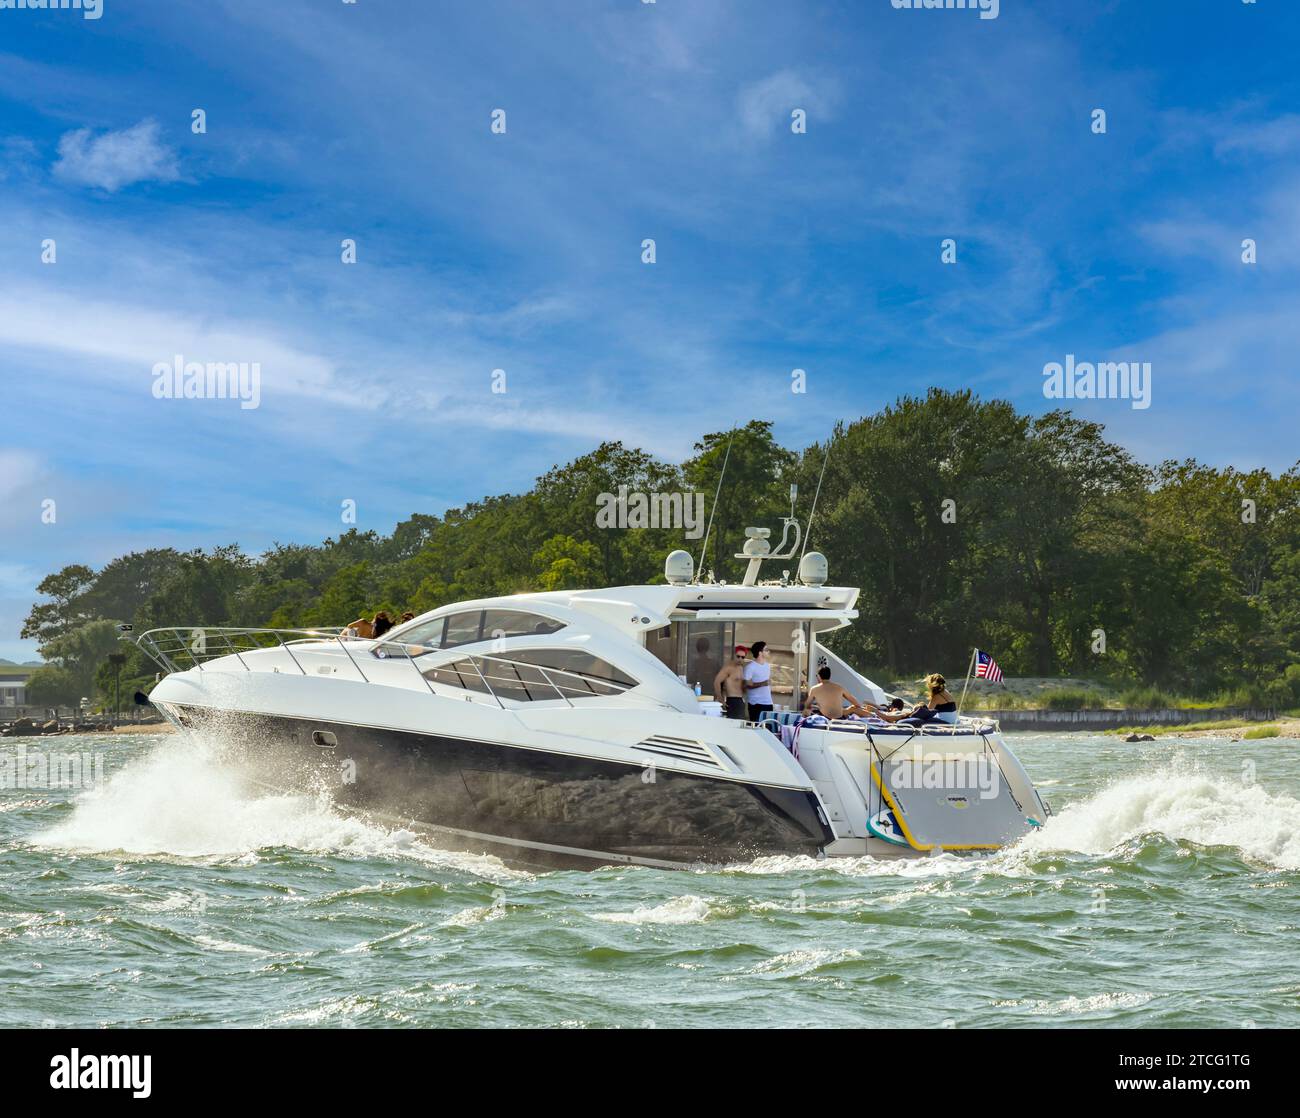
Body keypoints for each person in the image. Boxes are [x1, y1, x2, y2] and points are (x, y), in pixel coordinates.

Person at [803, 665, 867, 720]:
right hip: (840, 718)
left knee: (806, 711)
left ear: (819, 676)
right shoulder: (839, 687)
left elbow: (807, 705)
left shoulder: (814, 689)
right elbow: (856, 703)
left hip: (825, 718)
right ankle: (872, 715)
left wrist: (817, 706)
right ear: (830, 676)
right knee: (852, 708)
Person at [713, 645, 749, 719]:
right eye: (738, 656)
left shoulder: (742, 668)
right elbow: (717, 682)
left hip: (740, 700)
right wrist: (721, 699)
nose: (740, 659)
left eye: (742, 657)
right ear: (734, 655)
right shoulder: (728, 668)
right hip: (732, 700)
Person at [742, 640, 774, 722]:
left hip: (768, 702)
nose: (768, 651)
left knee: (768, 727)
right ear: (760, 653)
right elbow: (746, 685)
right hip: (755, 703)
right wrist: (763, 683)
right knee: (756, 726)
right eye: (766, 650)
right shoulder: (750, 667)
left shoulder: (767, 666)